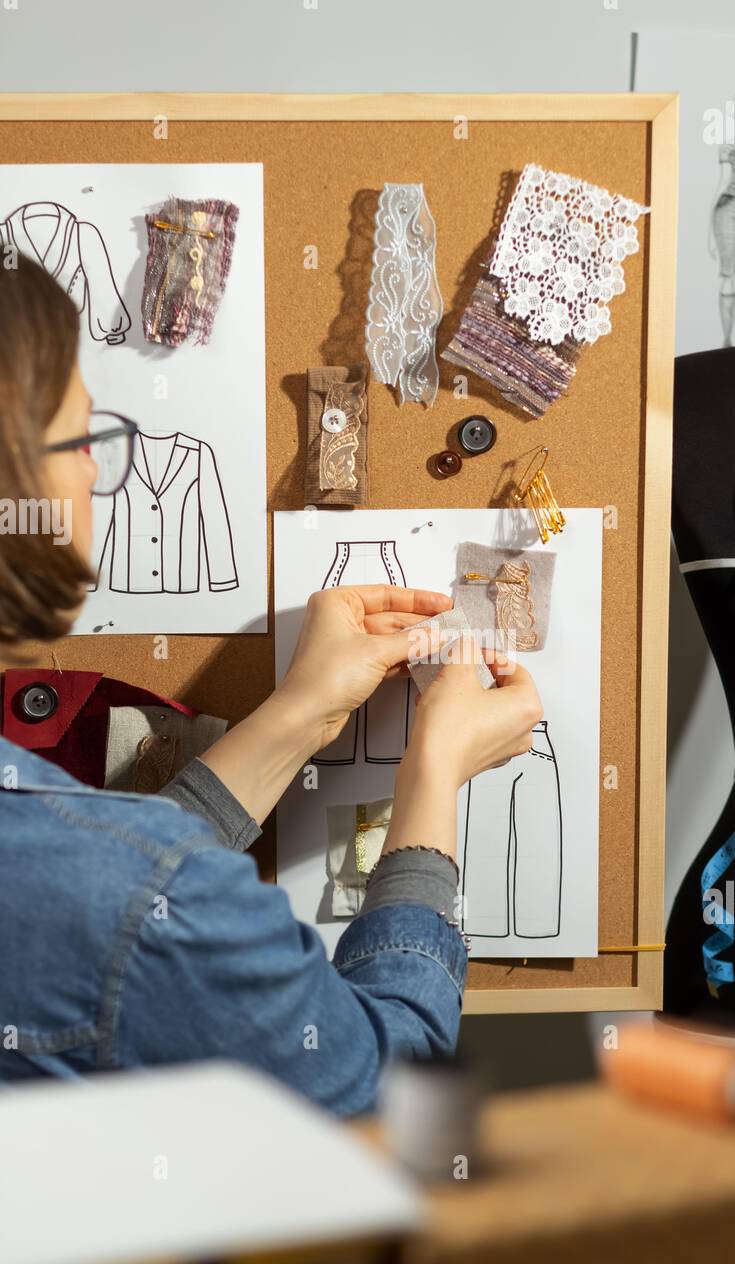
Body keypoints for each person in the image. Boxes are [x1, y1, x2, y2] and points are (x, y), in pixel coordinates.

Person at [0, 256, 542, 1114]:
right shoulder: (114, 889)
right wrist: (432, 773)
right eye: (81, 437)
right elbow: (382, 1085)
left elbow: (83, 894)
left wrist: (299, 715)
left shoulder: (74, 872)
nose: (99, 472)